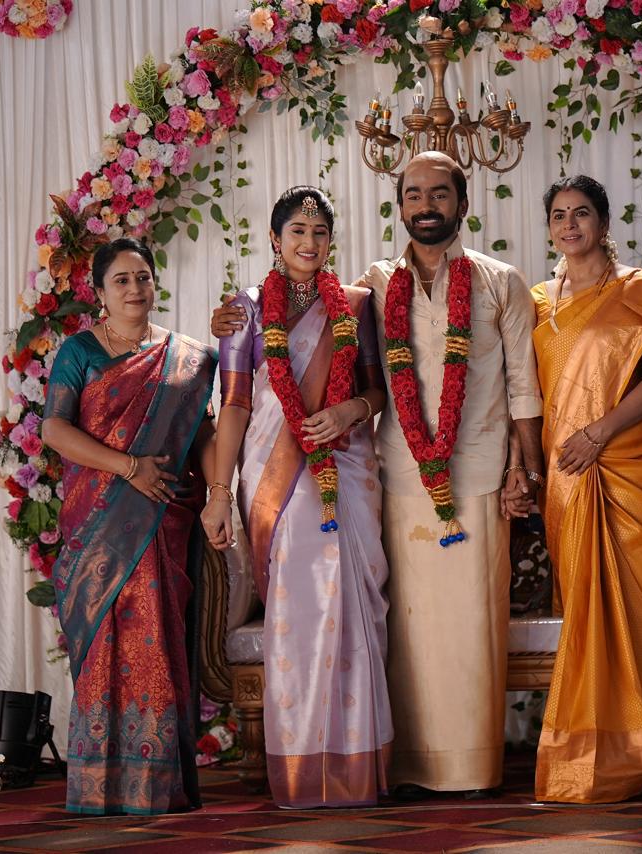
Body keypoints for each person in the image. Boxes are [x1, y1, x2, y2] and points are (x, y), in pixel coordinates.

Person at [212, 153, 544, 799]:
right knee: (402, 631)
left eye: (439, 193)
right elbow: (240, 394)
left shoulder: (484, 283)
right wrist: (226, 319)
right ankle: (381, 764)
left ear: (462, 203)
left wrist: (524, 470)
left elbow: (520, 387)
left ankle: (457, 767)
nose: (426, 205)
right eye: (413, 193)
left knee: (451, 626)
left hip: (458, 473)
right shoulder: (360, 290)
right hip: (384, 476)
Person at [200, 186, 393, 809]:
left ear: (330, 240)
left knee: (352, 603)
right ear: (275, 240)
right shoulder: (246, 310)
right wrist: (218, 494)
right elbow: (235, 404)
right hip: (276, 478)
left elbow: (376, 392)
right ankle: (304, 767)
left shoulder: (355, 305)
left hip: (348, 466)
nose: (309, 243)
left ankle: (357, 765)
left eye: (319, 232)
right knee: (301, 612)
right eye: (297, 232)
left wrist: (348, 412)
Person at [525, 175, 642, 803]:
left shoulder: (640, 290)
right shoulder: (537, 302)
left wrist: (601, 431)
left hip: (631, 464)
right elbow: (528, 393)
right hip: (568, 474)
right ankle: (594, 747)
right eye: (559, 215)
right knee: (587, 609)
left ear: (603, 222)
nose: (570, 225)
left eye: (581, 213)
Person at [41, 237, 216, 815]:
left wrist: (220, 496)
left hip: (162, 520)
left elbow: (204, 435)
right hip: (99, 525)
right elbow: (54, 430)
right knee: (103, 645)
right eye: (121, 280)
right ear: (100, 291)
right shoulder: (79, 352)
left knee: (158, 639)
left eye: (143, 277)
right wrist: (128, 467)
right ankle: (100, 784)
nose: (135, 288)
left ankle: (156, 784)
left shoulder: (186, 359)